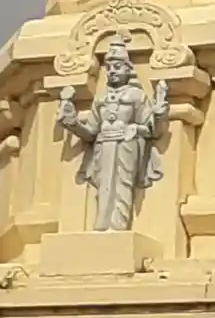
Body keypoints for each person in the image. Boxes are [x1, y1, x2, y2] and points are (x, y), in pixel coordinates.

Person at [57, 35, 168, 232]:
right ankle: (102, 225)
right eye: (109, 68)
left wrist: (153, 117)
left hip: (127, 144)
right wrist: (72, 123)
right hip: (103, 145)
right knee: (104, 187)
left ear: (128, 69)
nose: (112, 72)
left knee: (123, 186)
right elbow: (90, 132)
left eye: (118, 67)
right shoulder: (101, 100)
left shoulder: (136, 96)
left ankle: (118, 226)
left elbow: (151, 128)